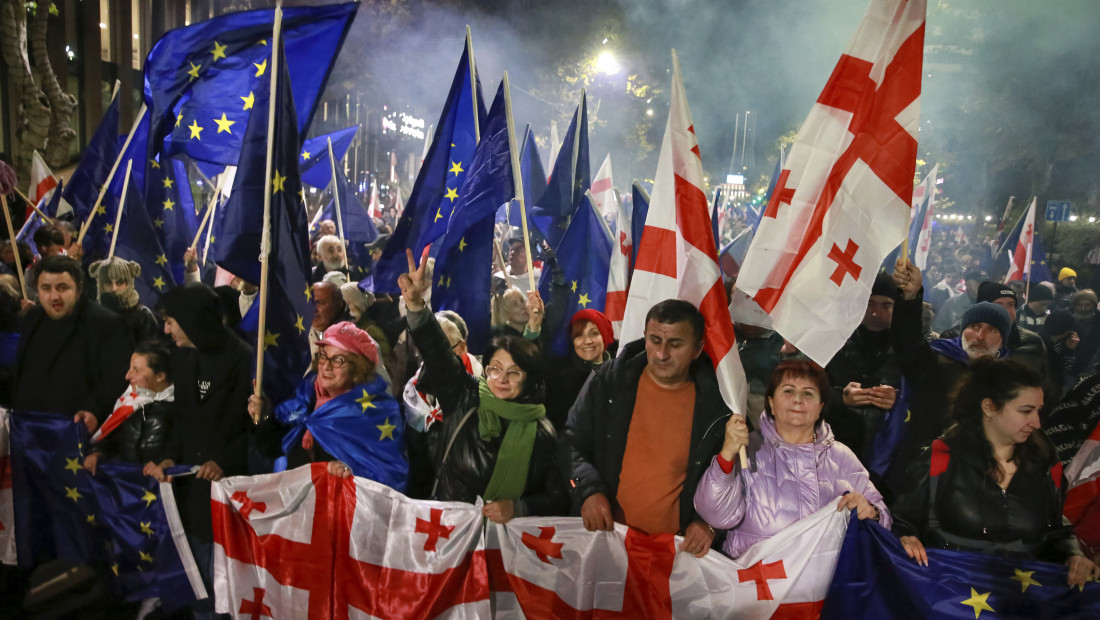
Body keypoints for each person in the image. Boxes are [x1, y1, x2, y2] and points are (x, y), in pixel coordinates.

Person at [891, 359, 1099, 587]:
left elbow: (1055, 529)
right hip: (949, 594)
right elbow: (901, 520)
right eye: (1026, 411)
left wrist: (1073, 554)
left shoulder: (1045, 461)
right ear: (989, 407)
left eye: (1038, 411)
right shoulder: (940, 458)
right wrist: (904, 537)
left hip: (1019, 601)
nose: (1037, 423)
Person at [399, 249, 566, 521]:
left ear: (528, 379)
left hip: (501, 546)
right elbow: (437, 352)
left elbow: (557, 496)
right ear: (485, 369)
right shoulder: (464, 394)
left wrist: (518, 507)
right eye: (495, 369)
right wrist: (417, 305)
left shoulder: (542, 431)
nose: (501, 379)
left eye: (514, 373)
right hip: (448, 531)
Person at [561, 299, 728, 556]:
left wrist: (708, 523)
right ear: (644, 337)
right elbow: (571, 442)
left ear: (697, 349)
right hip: (604, 545)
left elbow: (732, 477)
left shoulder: (719, 405)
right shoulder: (607, 382)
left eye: (675, 344)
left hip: (676, 558)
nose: (661, 354)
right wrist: (587, 492)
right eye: (655, 340)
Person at [694, 360, 890, 558]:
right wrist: (726, 455)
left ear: (820, 407)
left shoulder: (842, 456)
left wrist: (871, 511)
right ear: (771, 402)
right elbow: (716, 515)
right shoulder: (746, 450)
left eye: (808, 393)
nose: (798, 399)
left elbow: (884, 518)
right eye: (788, 391)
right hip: (755, 583)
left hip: (824, 586)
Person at [146, 282, 252, 616]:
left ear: (192, 320)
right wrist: (168, 455)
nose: (165, 329)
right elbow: (182, 415)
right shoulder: (182, 354)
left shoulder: (245, 359)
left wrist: (223, 460)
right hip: (190, 491)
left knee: (224, 582)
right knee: (198, 581)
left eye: (170, 321)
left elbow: (257, 432)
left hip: (228, 492)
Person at [887, 259, 1016, 495]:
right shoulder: (936, 361)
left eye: (992, 330)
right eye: (974, 326)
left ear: (1002, 341)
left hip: (978, 481)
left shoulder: (1011, 381)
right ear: (962, 329)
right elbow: (906, 341)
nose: (980, 335)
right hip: (920, 474)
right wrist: (910, 297)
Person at [248, 321, 408, 492]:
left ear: (359, 369)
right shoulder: (306, 394)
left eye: (338, 359)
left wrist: (350, 474)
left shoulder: (377, 411)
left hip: (338, 513)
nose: (327, 365)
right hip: (293, 507)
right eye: (323, 356)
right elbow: (274, 448)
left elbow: (391, 478)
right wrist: (264, 417)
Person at [13, 255, 132, 433]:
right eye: (46, 288)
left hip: (74, 431)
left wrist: (94, 408)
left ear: (79, 289)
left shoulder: (107, 323)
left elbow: (116, 380)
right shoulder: (33, 317)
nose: (54, 296)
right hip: (27, 429)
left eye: (62, 288)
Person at [825, 272, 902, 463]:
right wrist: (841, 397)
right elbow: (813, 391)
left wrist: (899, 398)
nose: (876, 313)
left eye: (886, 305)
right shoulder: (835, 344)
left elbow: (926, 396)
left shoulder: (910, 350)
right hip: (837, 450)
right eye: (870, 303)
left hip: (890, 457)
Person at [83, 340, 176, 474]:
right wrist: (99, 452)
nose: (127, 376)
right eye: (130, 368)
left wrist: (166, 461)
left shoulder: (182, 407)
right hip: (131, 487)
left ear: (160, 376)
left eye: (136, 370)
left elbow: (183, 446)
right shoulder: (129, 402)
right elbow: (114, 438)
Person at [543, 309, 617, 429]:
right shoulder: (561, 379)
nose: (587, 341)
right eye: (579, 335)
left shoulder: (622, 371)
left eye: (594, 333)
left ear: (605, 335)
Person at [88, 256, 160, 343]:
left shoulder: (143, 316)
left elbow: (151, 351)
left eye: (119, 282)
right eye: (108, 283)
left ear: (128, 283)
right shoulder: (92, 315)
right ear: (101, 285)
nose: (114, 288)